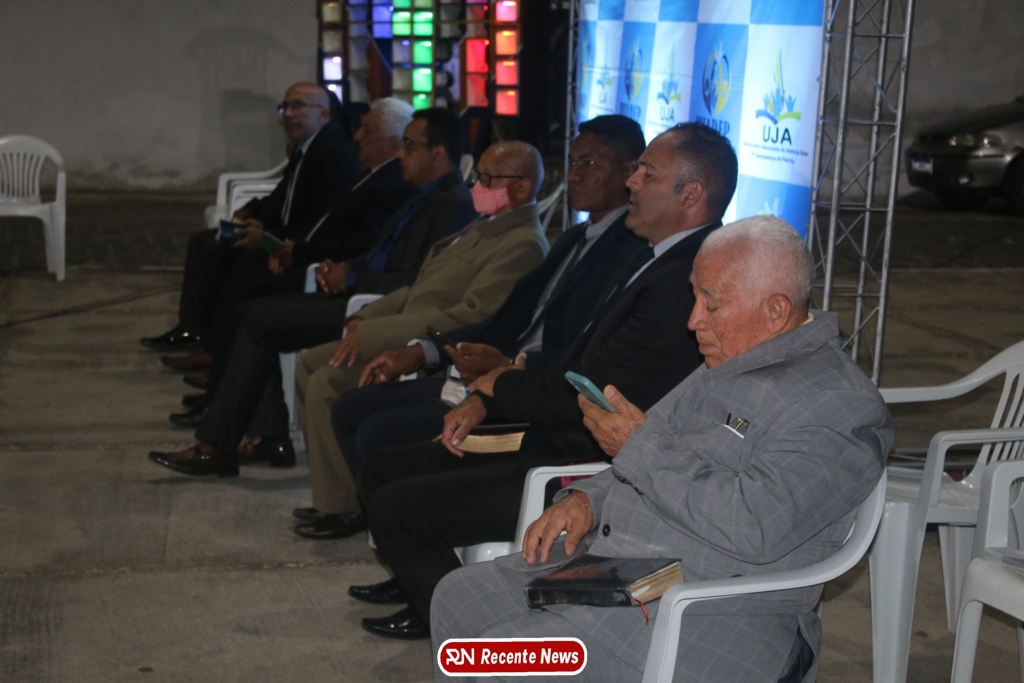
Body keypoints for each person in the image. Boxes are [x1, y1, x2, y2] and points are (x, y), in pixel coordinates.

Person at [430, 216, 893, 683]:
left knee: (501, 658)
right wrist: (589, 496)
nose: (693, 321)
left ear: (775, 311)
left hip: (705, 611)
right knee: (457, 598)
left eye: (711, 304)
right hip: (618, 571)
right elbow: (646, 448)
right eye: (694, 297)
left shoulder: (837, 405)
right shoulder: (730, 358)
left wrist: (635, 445)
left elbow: (752, 524)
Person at [349, 122, 738, 640]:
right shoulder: (653, 258)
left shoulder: (685, 279)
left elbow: (596, 394)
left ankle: (482, 641)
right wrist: (493, 391)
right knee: (383, 470)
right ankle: (441, 608)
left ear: (690, 195)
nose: (632, 182)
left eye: (647, 173)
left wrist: (494, 388)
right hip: (549, 433)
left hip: (579, 468)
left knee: (397, 509)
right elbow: (577, 362)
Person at [291, 114, 649, 539]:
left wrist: (509, 369)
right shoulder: (573, 238)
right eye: (571, 162)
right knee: (356, 412)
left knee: (373, 429)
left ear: (630, 171)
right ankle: (382, 521)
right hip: (486, 370)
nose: (573, 175)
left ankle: (389, 523)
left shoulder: (620, 251)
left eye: (588, 163)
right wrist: (422, 351)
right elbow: (501, 320)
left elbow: (568, 347)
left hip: (530, 390)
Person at [146, 107, 480, 476]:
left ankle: (223, 445)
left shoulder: (453, 204)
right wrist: (343, 268)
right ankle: (261, 436)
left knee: (258, 318)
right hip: (359, 293)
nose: (401, 154)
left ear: (437, 153)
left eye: (409, 146)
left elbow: (420, 282)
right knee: (255, 311)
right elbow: (378, 252)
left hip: (377, 309)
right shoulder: (421, 194)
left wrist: (350, 281)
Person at [292, 139, 552, 531]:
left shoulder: (523, 243)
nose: (476, 186)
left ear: (520, 187)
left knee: (328, 381)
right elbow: (419, 288)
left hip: (431, 346)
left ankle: (345, 506)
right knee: (311, 361)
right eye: (476, 176)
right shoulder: (485, 225)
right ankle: (334, 489)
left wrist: (378, 333)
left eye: (487, 179)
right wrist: (365, 317)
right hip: (406, 327)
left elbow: (470, 315)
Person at [162, 97, 419, 418]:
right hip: (320, 261)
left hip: (340, 281)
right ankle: (221, 383)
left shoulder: (389, 179)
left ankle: (224, 393)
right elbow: (315, 217)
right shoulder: (372, 172)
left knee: (250, 293)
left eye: (367, 130)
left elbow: (367, 244)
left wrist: (303, 255)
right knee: (239, 271)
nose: (357, 136)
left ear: (393, 143)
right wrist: (284, 245)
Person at [140, 82, 360, 352]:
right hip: (282, 234)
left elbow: (319, 223)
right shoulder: (307, 147)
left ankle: (215, 346)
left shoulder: (332, 154)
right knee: (205, 241)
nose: (289, 114)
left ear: (323, 114)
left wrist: (267, 238)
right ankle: (195, 330)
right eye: (285, 107)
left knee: (231, 256)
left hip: (296, 246)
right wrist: (254, 213)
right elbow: (282, 196)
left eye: (298, 106)